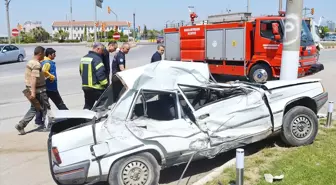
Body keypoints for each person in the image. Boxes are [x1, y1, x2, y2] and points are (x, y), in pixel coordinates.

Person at [15, 46, 51, 135]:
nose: (44, 55)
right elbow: (33, 78)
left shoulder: (30, 62)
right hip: (39, 91)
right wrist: (33, 93)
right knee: (46, 107)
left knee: (34, 108)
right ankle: (48, 126)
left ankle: (21, 125)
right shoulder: (36, 64)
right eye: (43, 54)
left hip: (31, 89)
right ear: (40, 54)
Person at [34, 48, 68, 126]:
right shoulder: (47, 63)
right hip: (51, 87)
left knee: (42, 105)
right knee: (59, 103)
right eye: (53, 54)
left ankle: (38, 121)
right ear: (49, 55)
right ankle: (68, 115)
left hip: (45, 87)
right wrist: (51, 76)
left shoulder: (44, 61)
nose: (55, 55)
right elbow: (43, 71)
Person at [80, 42, 108, 110]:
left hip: (86, 87)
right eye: (102, 50)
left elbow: (81, 72)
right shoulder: (97, 59)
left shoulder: (83, 58)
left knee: (88, 105)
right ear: (98, 49)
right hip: (96, 88)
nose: (102, 53)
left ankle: (84, 119)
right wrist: (105, 84)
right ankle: (99, 119)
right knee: (103, 104)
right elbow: (100, 74)